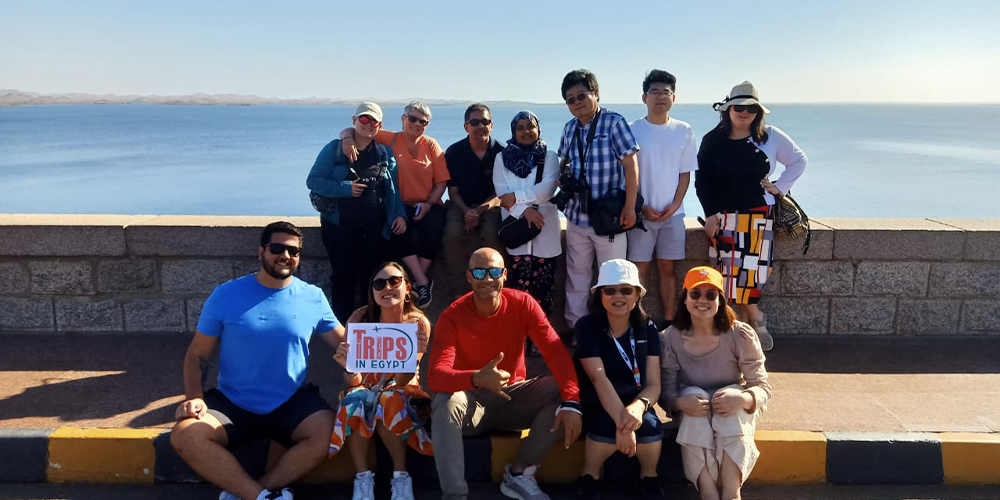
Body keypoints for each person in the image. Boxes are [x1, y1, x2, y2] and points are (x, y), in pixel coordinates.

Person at [170, 222, 345, 500]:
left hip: (291, 401)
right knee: (185, 435)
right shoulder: (226, 295)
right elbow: (197, 354)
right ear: (261, 252)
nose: (285, 255)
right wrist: (194, 397)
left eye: (293, 251)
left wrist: (406, 340)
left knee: (331, 434)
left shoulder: (313, 297)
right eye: (277, 248)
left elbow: (348, 346)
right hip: (233, 402)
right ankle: (262, 497)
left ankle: (254, 493)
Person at [428, 247, 583, 500]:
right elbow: (436, 376)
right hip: (471, 403)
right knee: (445, 402)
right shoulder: (452, 315)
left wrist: (573, 402)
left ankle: (519, 474)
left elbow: (555, 352)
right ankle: (455, 495)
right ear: (469, 276)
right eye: (479, 272)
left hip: (513, 399)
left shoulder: (523, 303)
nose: (487, 279)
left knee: (562, 391)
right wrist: (476, 378)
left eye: (494, 272)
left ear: (505, 274)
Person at [695, 81, 807, 351]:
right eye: (739, 107)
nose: (744, 112)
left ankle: (748, 322)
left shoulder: (770, 136)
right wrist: (710, 214)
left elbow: (799, 160)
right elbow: (703, 181)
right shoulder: (712, 140)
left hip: (758, 215)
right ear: (728, 109)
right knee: (726, 274)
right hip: (724, 216)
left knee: (753, 274)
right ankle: (747, 322)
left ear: (758, 112)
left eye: (751, 108)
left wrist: (779, 188)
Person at [659, 266, 771, 500]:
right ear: (685, 299)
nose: (703, 300)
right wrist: (680, 404)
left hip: (735, 408)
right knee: (694, 395)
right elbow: (666, 392)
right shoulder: (669, 338)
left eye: (711, 294)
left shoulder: (740, 334)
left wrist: (743, 398)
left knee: (729, 397)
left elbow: (762, 387)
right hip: (694, 409)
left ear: (720, 300)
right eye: (695, 294)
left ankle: (732, 492)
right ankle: (707, 491)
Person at [329, 262, 433, 500]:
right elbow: (353, 381)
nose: (387, 288)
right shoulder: (359, 319)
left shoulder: (417, 323)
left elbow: (404, 381)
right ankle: (363, 479)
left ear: (408, 288)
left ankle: (401, 478)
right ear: (373, 292)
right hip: (366, 388)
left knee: (388, 399)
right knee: (355, 398)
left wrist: (412, 357)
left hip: (404, 388)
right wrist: (349, 367)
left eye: (394, 281)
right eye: (379, 284)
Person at [556, 69, 641, 335]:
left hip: (609, 218)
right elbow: (562, 164)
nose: (577, 102)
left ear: (596, 94)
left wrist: (630, 206)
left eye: (582, 95)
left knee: (614, 278)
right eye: (570, 99)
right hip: (577, 217)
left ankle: (615, 333)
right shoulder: (569, 128)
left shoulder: (613, 122)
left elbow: (631, 165)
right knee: (577, 277)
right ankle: (578, 331)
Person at [341, 101, 450, 307]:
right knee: (399, 228)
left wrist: (428, 204)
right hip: (399, 204)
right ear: (403, 118)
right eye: (412, 118)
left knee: (434, 226)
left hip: (427, 204)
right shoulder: (389, 138)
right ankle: (422, 281)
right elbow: (354, 129)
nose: (416, 124)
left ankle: (416, 280)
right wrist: (347, 139)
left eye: (422, 121)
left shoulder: (431, 145)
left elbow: (442, 181)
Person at [307, 102, 407, 322]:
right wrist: (345, 189)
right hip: (339, 230)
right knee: (343, 279)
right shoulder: (334, 149)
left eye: (374, 121)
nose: (368, 124)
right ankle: (341, 332)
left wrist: (399, 214)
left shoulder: (384, 153)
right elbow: (313, 181)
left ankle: (369, 332)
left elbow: (394, 189)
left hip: (374, 232)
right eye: (364, 119)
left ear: (380, 125)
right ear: (354, 120)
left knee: (372, 282)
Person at [573, 260, 665, 500]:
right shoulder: (587, 326)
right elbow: (598, 378)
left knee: (649, 424)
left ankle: (649, 477)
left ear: (637, 295)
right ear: (600, 295)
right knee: (605, 422)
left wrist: (638, 407)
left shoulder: (648, 328)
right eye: (610, 290)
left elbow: (654, 385)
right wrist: (623, 424)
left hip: (635, 399)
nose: (618, 296)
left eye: (626, 290)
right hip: (597, 398)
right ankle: (590, 476)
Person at [627, 70, 698, 326]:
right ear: (644, 97)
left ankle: (669, 321)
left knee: (668, 268)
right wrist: (640, 206)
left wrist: (675, 205)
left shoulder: (684, 130)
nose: (660, 96)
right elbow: (625, 173)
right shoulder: (632, 129)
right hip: (640, 214)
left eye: (665, 92)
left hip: (672, 215)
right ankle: (637, 320)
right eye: (654, 92)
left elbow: (685, 173)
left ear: (673, 98)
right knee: (639, 268)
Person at [493, 110, 561, 318]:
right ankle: (519, 335)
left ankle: (540, 335)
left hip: (545, 233)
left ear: (539, 129)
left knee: (543, 292)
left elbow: (547, 189)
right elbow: (502, 194)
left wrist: (517, 198)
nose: (526, 131)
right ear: (513, 131)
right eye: (520, 128)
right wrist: (526, 210)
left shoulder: (549, 157)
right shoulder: (501, 158)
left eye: (531, 126)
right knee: (516, 293)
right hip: (517, 233)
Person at [443, 103, 506, 280]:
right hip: (460, 204)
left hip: (490, 205)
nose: (480, 126)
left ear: (491, 125)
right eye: (475, 122)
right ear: (466, 126)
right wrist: (467, 212)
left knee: (491, 233)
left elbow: (500, 193)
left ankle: (494, 280)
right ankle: (459, 283)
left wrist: (478, 211)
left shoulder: (502, 153)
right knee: (452, 234)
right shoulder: (454, 152)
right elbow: (453, 191)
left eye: (485, 122)